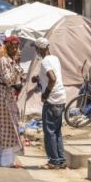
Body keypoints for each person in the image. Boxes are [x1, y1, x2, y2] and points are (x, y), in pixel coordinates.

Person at [31, 37, 67, 169]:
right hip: (61, 98)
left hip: (52, 100)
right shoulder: (54, 59)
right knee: (57, 131)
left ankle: (53, 161)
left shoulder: (45, 62)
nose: (36, 51)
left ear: (40, 48)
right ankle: (61, 160)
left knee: (49, 132)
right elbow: (50, 75)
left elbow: (52, 78)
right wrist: (38, 78)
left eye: (36, 48)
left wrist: (45, 94)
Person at [0, 35, 24, 168]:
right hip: (2, 95)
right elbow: (9, 80)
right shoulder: (4, 60)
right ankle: (7, 160)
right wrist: (18, 69)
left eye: (16, 46)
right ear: (6, 47)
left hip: (6, 94)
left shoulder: (10, 60)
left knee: (4, 126)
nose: (15, 49)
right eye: (12, 46)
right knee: (8, 126)